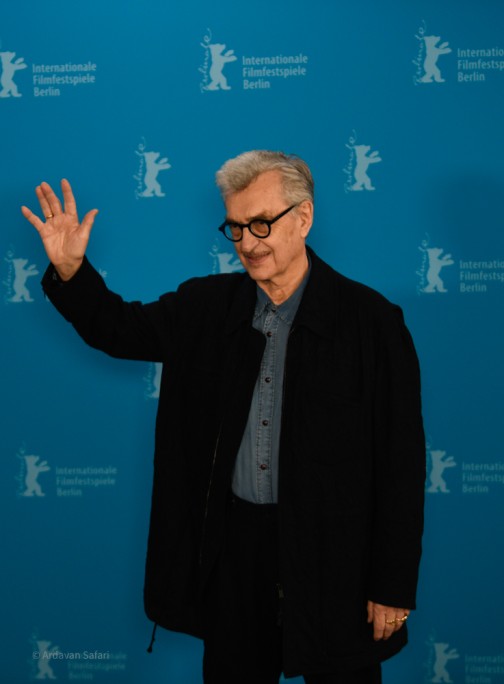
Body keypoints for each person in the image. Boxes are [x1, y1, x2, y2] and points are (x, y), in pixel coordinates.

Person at [21, 150, 425, 684]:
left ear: (304, 217)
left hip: (334, 561)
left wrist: (392, 586)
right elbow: (118, 330)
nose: (248, 244)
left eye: (261, 223)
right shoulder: (204, 307)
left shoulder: (372, 324)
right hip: (234, 558)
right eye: (235, 227)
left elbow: (400, 465)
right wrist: (72, 272)